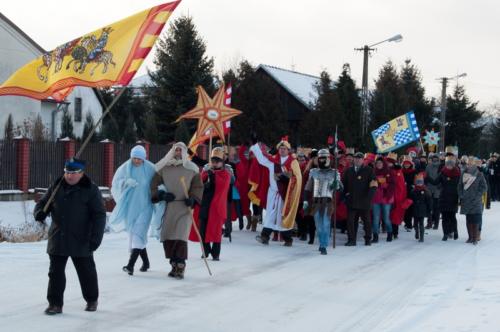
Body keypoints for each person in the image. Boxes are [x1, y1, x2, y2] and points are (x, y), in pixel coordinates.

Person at [34, 158, 106, 315]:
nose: (69, 176)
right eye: (67, 172)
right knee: (55, 273)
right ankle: (55, 304)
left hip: (81, 239)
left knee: (86, 271)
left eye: (73, 173)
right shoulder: (56, 186)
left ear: (81, 173)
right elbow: (42, 203)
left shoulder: (90, 189)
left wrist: (95, 238)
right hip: (58, 236)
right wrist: (40, 213)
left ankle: (91, 299)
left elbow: (99, 215)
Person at [151, 142, 204, 279]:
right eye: (176, 150)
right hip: (170, 207)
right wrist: (162, 195)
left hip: (185, 207)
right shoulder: (164, 167)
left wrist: (192, 199)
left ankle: (180, 265)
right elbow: (153, 185)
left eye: (181, 150)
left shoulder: (192, 169)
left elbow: (197, 186)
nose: (178, 153)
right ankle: (173, 263)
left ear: (185, 152)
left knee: (181, 235)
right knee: (168, 235)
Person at [109, 145, 156, 275]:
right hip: (131, 207)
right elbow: (115, 184)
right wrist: (125, 183)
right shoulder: (125, 168)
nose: (136, 161)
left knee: (138, 233)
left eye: (139, 159)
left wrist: (160, 193)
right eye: (134, 158)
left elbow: (158, 182)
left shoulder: (150, 168)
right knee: (135, 234)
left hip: (146, 207)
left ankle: (130, 265)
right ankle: (146, 263)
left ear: (144, 158)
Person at [251, 136, 302, 246]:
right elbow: (262, 158)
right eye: (281, 148)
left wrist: (287, 180)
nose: (282, 150)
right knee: (270, 214)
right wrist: (255, 144)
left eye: (284, 148)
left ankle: (288, 239)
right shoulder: (273, 160)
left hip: (285, 194)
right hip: (273, 192)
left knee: (282, 215)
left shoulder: (293, 162)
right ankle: (265, 236)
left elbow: (298, 178)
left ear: (288, 150)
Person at [189, 147, 232, 260]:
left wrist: (213, 178)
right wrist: (204, 182)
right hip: (204, 205)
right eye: (213, 160)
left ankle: (215, 253)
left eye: (217, 161)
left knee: (216, 231)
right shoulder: (206, 172)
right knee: (202, 229)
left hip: (216, 207)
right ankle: (206, 250)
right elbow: (198, 185)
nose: (214, 163)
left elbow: (223, 187)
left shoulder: (225, 174)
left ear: (222, 162)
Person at [303, 149, 342, 255]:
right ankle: (321, 242)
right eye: (320, 158)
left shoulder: (334, 173)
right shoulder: (313, 172)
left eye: (324, 158)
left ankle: (323, 245)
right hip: (316, 202)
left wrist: (336, 185)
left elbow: (340, 187)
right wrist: (305, 200)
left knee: (325, 223)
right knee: (318, 225)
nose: (322, 160)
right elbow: (307, 188)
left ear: (328, 159)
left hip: (328, 201)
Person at [343, 152, 378, 246]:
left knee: (367, 221)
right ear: (353, 159)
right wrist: (344, 195)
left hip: (364, 201)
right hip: (351, 201)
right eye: (356, 158)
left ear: (363, 160)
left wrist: (369, 197)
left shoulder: (369, 170)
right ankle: (351, 240)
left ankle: (368, 239)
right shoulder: (348, 171)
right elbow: (344, 185)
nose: (357, 160)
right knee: (350, 221)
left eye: (360, 158)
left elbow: (374, 185)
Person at [458, 157, 488, 245]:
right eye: (468, 164)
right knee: (468, 219)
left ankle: (475, 238)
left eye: (471, 164)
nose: (469, 165)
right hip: (466, 200)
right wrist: (461, 195)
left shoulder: (479, 174)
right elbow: (459, 186)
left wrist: (478, 195)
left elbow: (484, 187)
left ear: (474, 165)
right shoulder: (463, 173)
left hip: (476, 200)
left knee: (475, 219)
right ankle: (470, 237)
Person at [430, 156, 461, 241]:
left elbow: (460, 186)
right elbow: (435, 182)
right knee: (444, 217)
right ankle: (445, 234)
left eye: (451, 165)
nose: (449, 166)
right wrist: (427, 177)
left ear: (453, 165)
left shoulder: (457, 173)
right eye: (448, 165)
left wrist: (461, 197)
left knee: (452, 217)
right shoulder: (442, 172)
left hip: (453, 197)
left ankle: (455, 231)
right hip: (443, 197)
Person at [371, 156, 395, 243]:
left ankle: (389, 233)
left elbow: (393, 185)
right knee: (376, 218)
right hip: (376, 198)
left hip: (386, 198)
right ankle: (375, 235)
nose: (379, 165)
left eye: (380, 163)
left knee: (386, 218)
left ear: (383, 163)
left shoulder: (390, 172)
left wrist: (386, 186)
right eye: (377, 163)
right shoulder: (373, 172)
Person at [409, 173, 432, 242]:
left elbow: (429, 201)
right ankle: (416, 232)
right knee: (415, 224)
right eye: (418, 182)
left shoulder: (426, 191)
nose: (419, 184)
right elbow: (410, 200)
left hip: (422, 210)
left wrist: (430, 209)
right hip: (415, 209)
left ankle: (422, 237)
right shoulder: (413, 191)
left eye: (420, 182)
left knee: (421, 223)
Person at [425, 153, 442, 230]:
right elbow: (426, 176)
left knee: (437, 208)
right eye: (433, 159)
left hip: (438, 189)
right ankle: (429, 222)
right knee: (429, 206)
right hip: (429, 188)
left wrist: (440, 185)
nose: (435, 160)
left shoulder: (441, 166)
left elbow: (442, 177)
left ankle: (436, 223)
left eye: (436, 159)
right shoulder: (428, 166)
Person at [402, 157, 416, 231]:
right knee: (404, 207)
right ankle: (406, 222)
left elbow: (415, 181)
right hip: (403, 191)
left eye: (408, 164)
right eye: (405, 164)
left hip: (410, 191)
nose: (406, 165)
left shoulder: (413, 171)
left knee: (409, 208)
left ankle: (409, 224)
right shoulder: (401, 171)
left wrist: (412, 185)